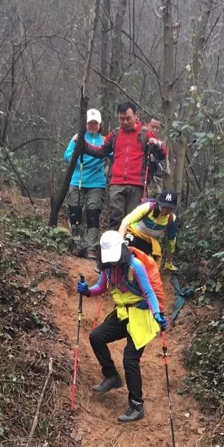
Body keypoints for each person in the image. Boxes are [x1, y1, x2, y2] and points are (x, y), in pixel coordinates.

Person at [77, 230, 167, 423]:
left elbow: (149, 292)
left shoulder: (135, 266)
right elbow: (101, 288)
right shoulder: (107, 268)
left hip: (141, 316)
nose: (113, 261)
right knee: (96, 337)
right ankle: (111, 376)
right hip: (123, 314)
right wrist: (87, 291)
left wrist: (157, 313)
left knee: (130, 359)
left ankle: (136, 405)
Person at [83, 101, 167, 229]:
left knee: (132, 220)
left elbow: (162, 155)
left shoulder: (145, 133)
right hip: (116, 183)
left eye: (128, 118)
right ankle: (112, 247)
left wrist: (157, 145)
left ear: (135, 116)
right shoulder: (115, 134)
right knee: (115, 218)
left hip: (137, 184)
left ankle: (128, 248)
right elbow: (101, 152)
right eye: (122, 119)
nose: (125, 122)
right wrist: (83, 145)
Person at [63, 108, 107, 258]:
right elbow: (67, 155)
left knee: (93, 213)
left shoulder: (105, 141)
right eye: (90, 123)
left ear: (100, 124)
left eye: (95, 123)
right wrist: (75, 152)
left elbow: (114, 154)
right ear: (86, 124)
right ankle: (77, 243)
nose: (93, 126)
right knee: (75, 211)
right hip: (78, 179)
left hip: (96, 182)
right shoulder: (77, 138)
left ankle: (92, 246)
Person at [119, 190, 179, 271]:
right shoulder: (147, 207)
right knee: (127, 245)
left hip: (148, 242)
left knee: (151, 264)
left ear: (173, 209)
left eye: (168, 209)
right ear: (158, 203)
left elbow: (171, 241)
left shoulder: (172, 219)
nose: (164, 211)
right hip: (133, 235)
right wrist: (119, 242)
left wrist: (169, 262)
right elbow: (126, 221)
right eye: (163, 207)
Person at [146, 118, 167, 196]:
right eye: (153, 127)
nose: (155, 130)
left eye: (157, 128)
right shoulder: (144, 136)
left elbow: (163, 153)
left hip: (154, 177)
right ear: (147, 125)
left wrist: (158, 144)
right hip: (142, 177)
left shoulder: (158, 141)